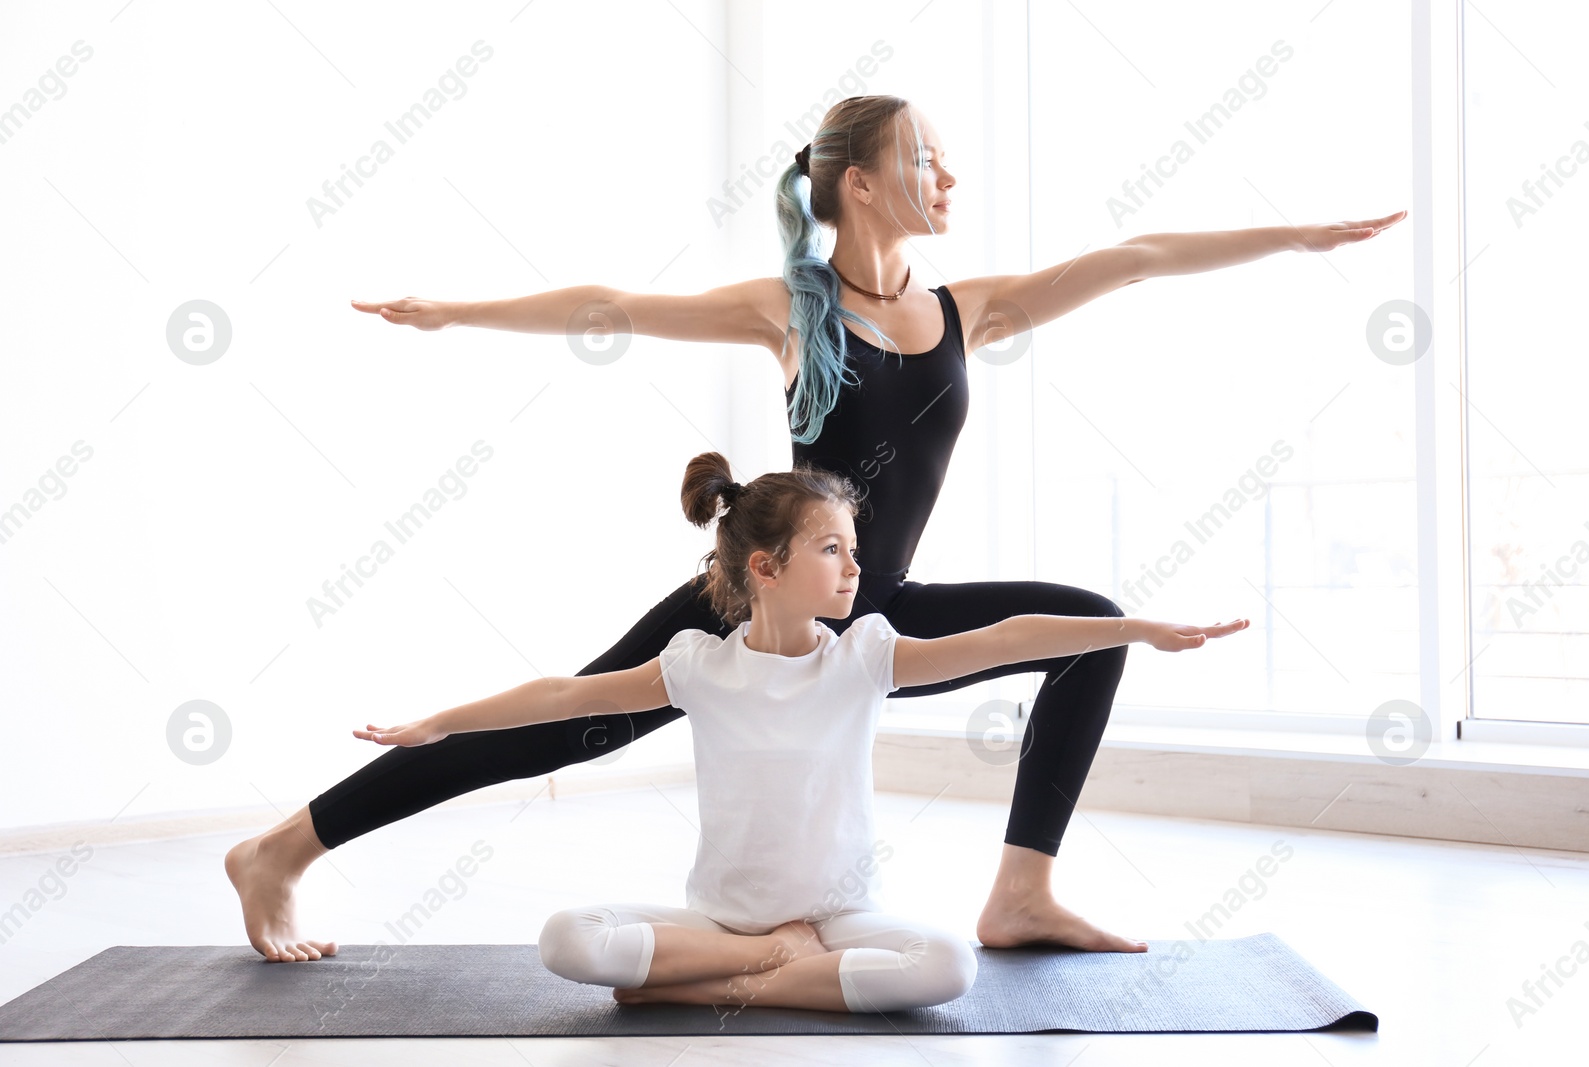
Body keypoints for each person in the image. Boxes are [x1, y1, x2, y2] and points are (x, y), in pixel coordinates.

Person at [226, 93, 1401, 964]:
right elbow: (609, 305)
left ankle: (1022, 892)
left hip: (869, 605)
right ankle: (283, 848)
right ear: (859, 182)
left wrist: (1295, 238)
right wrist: (455, 312)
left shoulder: (963, 308)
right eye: (926, 162)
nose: (947, 180)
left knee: (1092, 630)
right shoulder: (791, 309)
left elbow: (1136, 258)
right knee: (566, 729)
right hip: (768, 595)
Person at [350, 452, 1248, 1011]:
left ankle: (719, 984)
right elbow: (561, 695)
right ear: (766, 567)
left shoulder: (866, 655)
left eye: (855, 550)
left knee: (945, 967)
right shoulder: (699, 664)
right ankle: (761, 964)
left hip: (839, 919)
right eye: (834, 550)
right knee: (565, 938)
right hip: (720, 918)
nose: (856, 567)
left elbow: (1005, 640)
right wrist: (436, 723)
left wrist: (1130, 629)